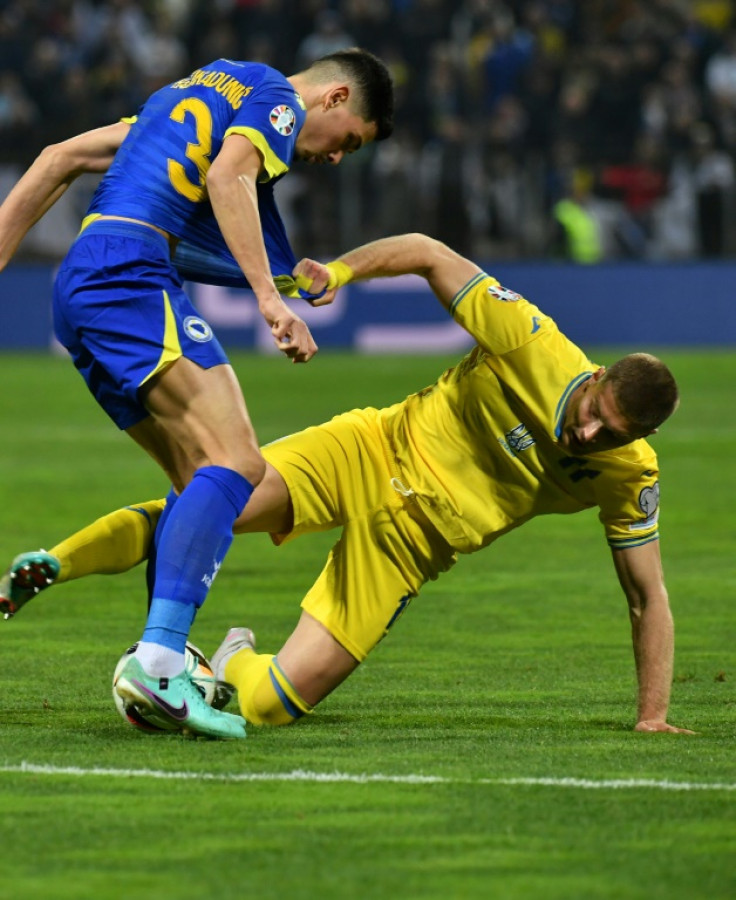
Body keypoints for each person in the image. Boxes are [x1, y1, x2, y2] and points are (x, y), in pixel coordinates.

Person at [1, 233, 693, 735]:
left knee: (269, 706)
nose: (592, 437)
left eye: (617, 435)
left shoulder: (628, 475)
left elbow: (647, 595)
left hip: (413, 545)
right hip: (368, 449)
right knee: (214, 497)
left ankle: (222, 661)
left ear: (643, 440)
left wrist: (653, 716)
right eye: (595, 415)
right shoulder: (531, 340)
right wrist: (339, 270)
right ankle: (53, 565)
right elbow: (428, 252)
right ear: (597, 376)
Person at [0, 49, 394, 740]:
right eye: (350, 141)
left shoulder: (200, 88)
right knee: (239, 463)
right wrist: (273, 301)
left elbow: (59, 156)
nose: (336, 159)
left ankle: (163, 655)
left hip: (81, 286)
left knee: (195, 484)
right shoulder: (276, 98)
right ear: (333, 98)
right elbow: (229, 175)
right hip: (130, 275)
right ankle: (157, 661)